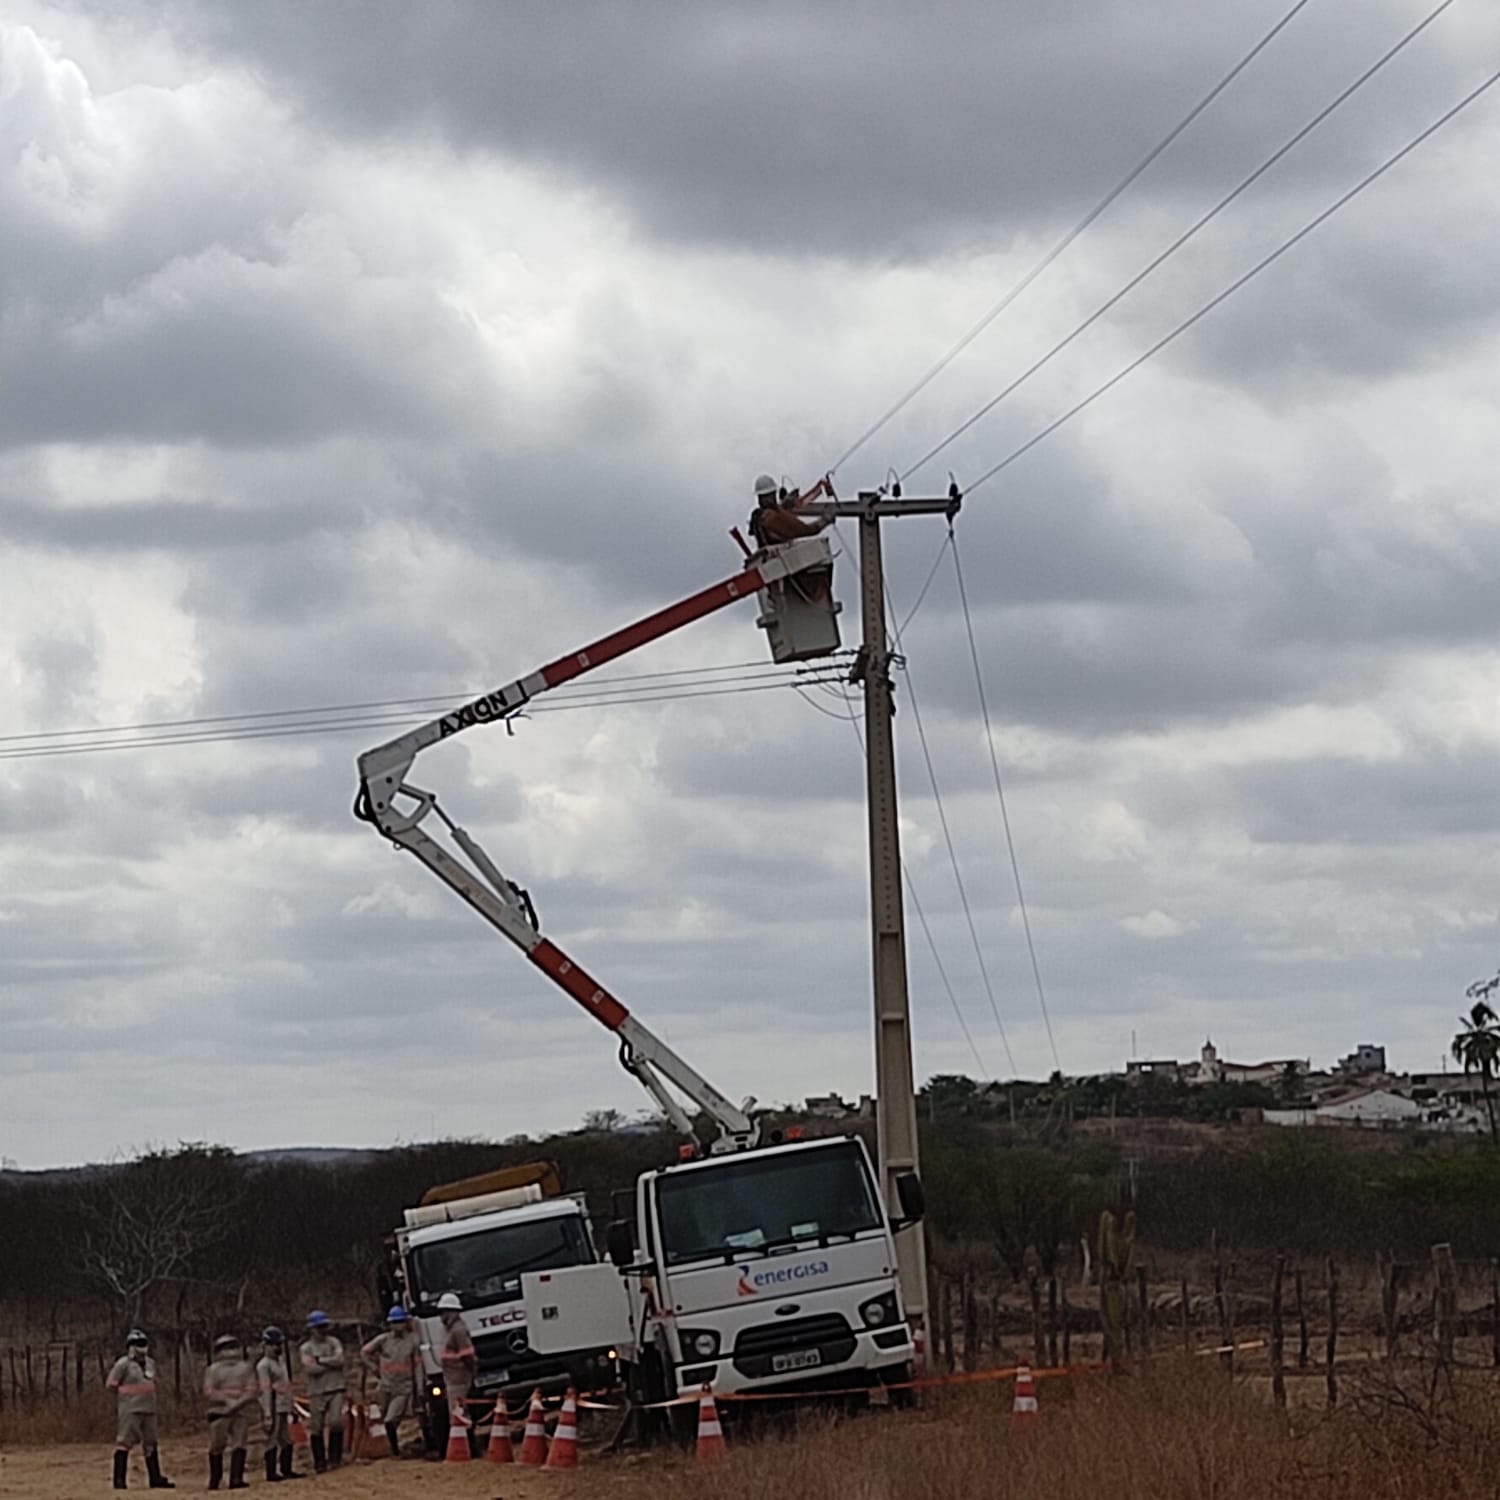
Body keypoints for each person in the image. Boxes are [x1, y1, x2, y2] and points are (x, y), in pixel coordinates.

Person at [106, 1329, 174, 1490]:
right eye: (138, 1344)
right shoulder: (123, 1364)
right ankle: (119, 1480)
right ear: (130, 1346)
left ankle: (155, 1478)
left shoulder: (150, 1363)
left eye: (144, 1343)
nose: (142, 1347)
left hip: (149, 1408)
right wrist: (126, 1396)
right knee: (124, 1442)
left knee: (151, 1442)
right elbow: (111, 1384)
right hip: (130, 1409)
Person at [360, 1306, 423, 1458]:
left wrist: (419, 1389)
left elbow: (418, 1366)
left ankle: (395, 1451)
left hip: (403, 1387)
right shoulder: (384, 1340)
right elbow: (364, 1352)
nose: (397, 1326)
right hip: (386, 1385)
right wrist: (374, 1368)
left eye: (400, 1322)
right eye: (395, 1323)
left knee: (391, 1419)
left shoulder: (413, 1341)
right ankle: (391, 1447)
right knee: (385, 1418)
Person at [204, 1334, 256, 1491]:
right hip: (219, 1412)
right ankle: (215, 1479)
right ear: (219, 1352)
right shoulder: (213, 1370)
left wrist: (238, 1403)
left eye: (234, 1347)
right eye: (226, 1348)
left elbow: (252, 1389)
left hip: (240, 1412)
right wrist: (227, 1401)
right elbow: (209, 1391)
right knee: (217, 1445)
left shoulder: (246, 1368)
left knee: (239, 1444)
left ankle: (236, 1477)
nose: (231, 1352)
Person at [298, 1310, 345, 1472]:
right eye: (319, 1327)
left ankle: (335, 1458)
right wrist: (329, 1363)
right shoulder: (306, 1348)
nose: (322, 1330)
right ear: (312, 1329)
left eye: (324, 1326)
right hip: (317, 1390)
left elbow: (340, 1360)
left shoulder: (334, 1342)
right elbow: (311, 1369)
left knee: (336, 1422)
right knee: (316, 1426)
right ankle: (319, 1461)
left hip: (336, 1387)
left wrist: (321, 1361)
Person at [255, 1327, 302, 1483]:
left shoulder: (281, 1362)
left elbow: (286, 1385)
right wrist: (267, 1413)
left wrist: (292, 1405)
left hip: (283, 1404)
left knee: (286, 1439)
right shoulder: (263, 1365)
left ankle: (286, 1469)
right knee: (272, 1439)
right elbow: (265, 1389)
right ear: (266, 1345)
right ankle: (271, 1472)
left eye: (279, 1344)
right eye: (275, 1344)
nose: (278, 1348)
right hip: (273, 1405)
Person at [436, 1291, 478, 1451]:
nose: (441, 1316)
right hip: (452, 1378)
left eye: (443, 1312)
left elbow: (468, 1356)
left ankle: (470, 1448)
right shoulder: (448, 1329)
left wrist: (472, 1374)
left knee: (460, 1414)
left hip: (459, 1378)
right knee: (457, 1413)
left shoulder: (458, 1330)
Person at [748, 472, 834, 547]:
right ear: (773, 494)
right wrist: (825, 520)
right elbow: (804, 530)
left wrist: (785, 504)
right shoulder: (770, 517)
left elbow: (779, 510)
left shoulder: (757, 516)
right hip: (783, 558)